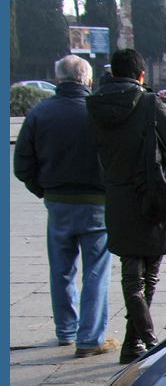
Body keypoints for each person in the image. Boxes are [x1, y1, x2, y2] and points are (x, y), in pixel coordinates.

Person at [86, 48, 166, 365]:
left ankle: (134, 344)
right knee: (150, 275)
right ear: (141, 75)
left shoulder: (93, 106)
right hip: (150, 192)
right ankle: (148, 339)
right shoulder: (147, 102)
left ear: (113, 73)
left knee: (131, 275)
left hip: (117, 195)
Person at [14, 55, 118, 357]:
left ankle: (66, 331)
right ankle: (90, 338)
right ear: (87, 80)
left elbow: (22, 163)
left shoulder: (39, 113)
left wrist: (44, 190)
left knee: (60, 269)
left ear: (57, 80)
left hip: (57, 202)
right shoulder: (99, 113)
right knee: (96, 271)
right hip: (97, 202)